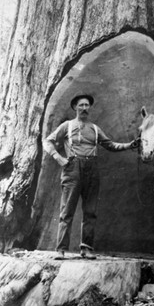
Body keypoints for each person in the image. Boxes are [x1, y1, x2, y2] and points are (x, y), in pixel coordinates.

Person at [43, 93, 139, 260]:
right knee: (67, 211)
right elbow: (47, 141)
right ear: (75, 107)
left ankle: (86, 249)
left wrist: (129, 145)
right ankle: (61, 249)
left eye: (87, 105)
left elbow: (110, 145)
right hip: (72, 168)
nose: (84, 108)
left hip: (92, 170)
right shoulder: (67, 126)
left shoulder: (94, 128)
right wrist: (58, 157)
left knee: (90, 211)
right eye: (81, 105)